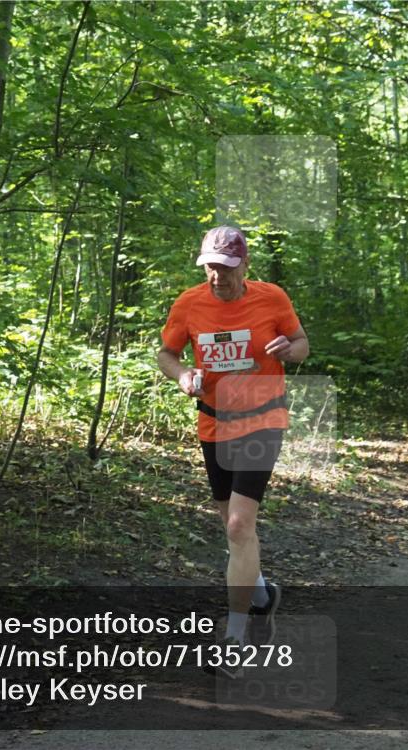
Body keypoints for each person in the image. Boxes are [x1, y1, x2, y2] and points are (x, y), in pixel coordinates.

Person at [157, 226, 308, 678]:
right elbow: (167, 354)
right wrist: (182, 375)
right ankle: (262, 594)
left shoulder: (271, 298)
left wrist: (290, 348)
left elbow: (302, 346)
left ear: (244, 264)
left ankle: (234, 642)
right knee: (231, 528)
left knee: (241, 525)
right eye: (209, 266)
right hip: (214, 422)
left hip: (262, 418)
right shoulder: (189, 303)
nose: (216, 276)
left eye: (224, 267)